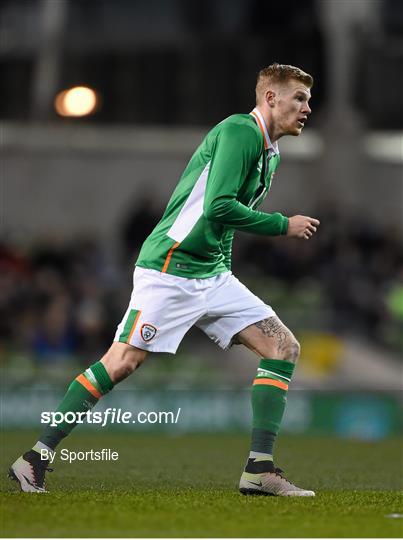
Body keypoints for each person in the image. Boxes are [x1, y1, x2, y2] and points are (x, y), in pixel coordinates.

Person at [10, 63, 319, 495]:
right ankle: (34, 458)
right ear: (270, 98)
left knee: (282, 346)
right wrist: (281, 224)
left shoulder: (271, 151)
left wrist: (222, 267)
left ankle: (259, 469)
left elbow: (221, 226)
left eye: (308, 99)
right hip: (170, 271)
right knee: (122, 363)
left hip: (210, 273)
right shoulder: (239, 132)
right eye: (299, 98)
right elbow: (218, 207)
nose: (307, 107)